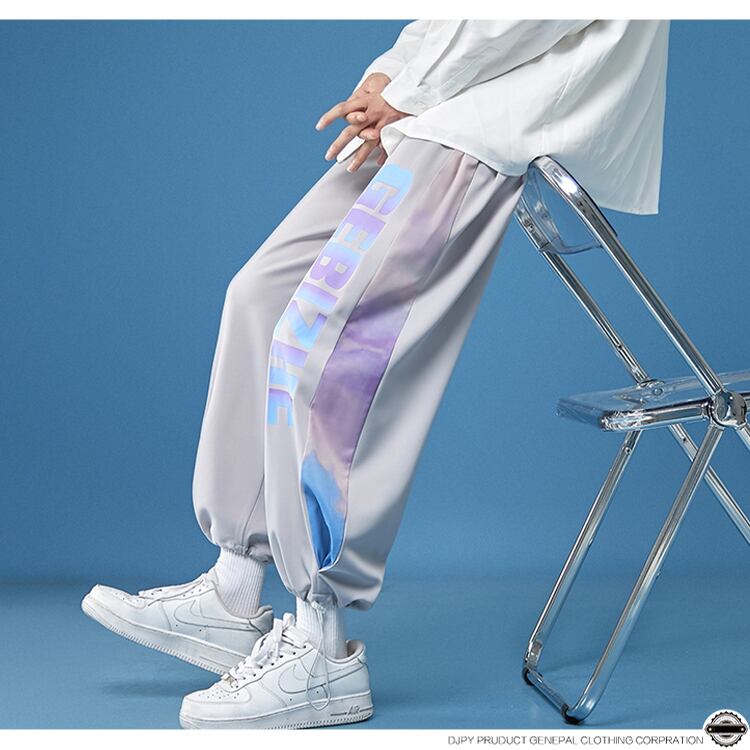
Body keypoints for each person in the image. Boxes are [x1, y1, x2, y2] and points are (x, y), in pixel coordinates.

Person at [81, 19, 670, 729]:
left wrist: (412, 88)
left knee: (322, 344)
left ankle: (320, 650)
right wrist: (390, 74)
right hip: (439, 106)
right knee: (259, 298)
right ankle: (233, 591)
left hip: (492, 116)